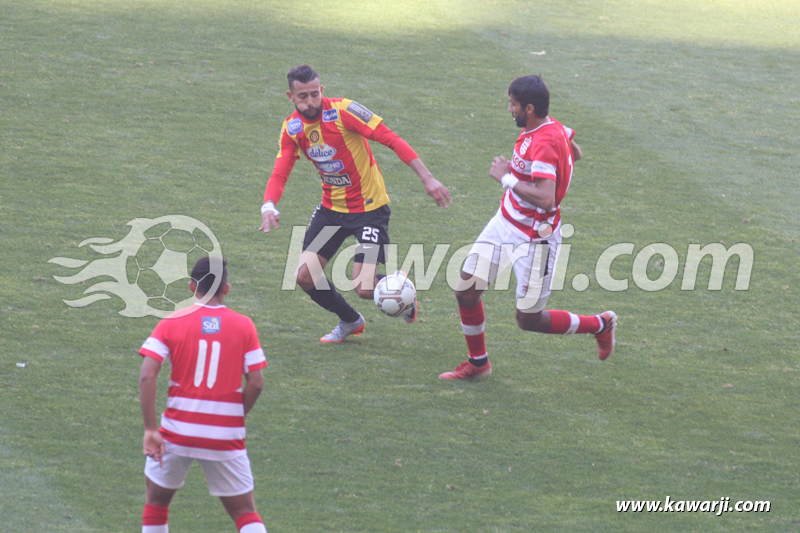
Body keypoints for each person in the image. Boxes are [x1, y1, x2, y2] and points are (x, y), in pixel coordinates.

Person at [439, 75, 617, 380]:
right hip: (504, 222)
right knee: (466, 291)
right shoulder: (550, 127)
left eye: (513, 104)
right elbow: (575, 152)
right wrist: (533, 172)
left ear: (530, 108)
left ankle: (599, 325)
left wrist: (507, 178)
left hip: (534, 239)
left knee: (528, 319)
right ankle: (478, 363)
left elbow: (547, 199)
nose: (510, 109)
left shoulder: (544, 142)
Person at [259, 65, 451, 343]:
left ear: (322, 90)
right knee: (304, 276)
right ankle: (350, 320)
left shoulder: (344, 111)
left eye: (314, 94)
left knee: (363, 287)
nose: (310, 101)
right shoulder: (292, 128)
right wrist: (269, 204)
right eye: (303, 97)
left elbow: (390, 138)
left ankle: (401, 290)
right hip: (331, 211)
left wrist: (427, 178)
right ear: (291, 97)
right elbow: (280, 171)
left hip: (369, 211)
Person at [138, 257, 269, 533]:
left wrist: (150, 429)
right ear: (226, 289)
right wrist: (233, 416)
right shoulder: (244, 325)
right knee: (245, 512)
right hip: (225, 436)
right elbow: (256, 383)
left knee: (156, 504)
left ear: (191, 286)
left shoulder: (171, 322)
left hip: (177, 432)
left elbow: (147, 375)